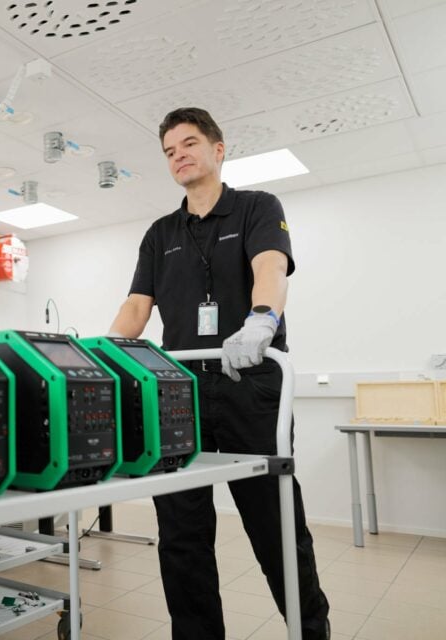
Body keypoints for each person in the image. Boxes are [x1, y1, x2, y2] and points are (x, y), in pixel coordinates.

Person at [109, 107, 330, 639]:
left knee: (275, 526)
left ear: (218, 148)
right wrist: (105, 355)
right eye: (169, 151)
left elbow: (270, 266)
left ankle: (310, 632)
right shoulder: (160, 233)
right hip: (178, 394)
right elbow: (137, 306)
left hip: (249, 386)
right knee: (181, 534)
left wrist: (262, 319)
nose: (178, 156)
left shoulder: (257, 207)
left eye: (188, 143)